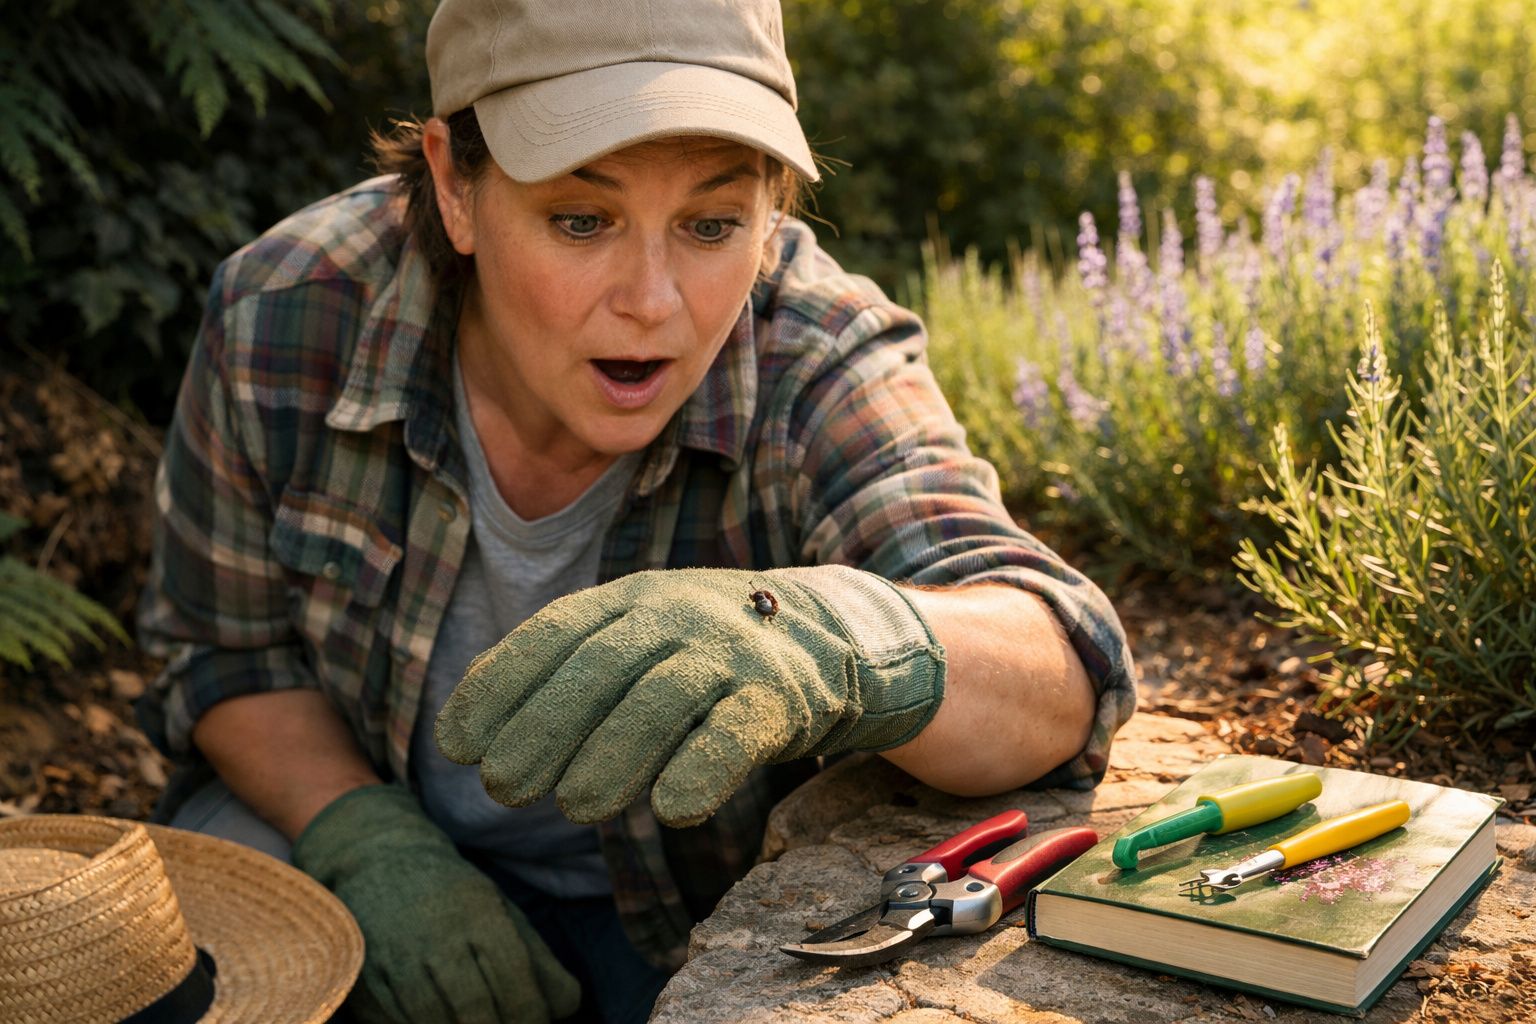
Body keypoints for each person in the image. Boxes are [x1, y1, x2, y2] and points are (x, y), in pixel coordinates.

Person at [137, 1, 1137, 1021]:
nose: (653, 299)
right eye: (583, 219)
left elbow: (1059, 665)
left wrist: (838, 636)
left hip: (669, 915)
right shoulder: (290, 308)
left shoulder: (812, 355)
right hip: (343, 837)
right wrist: (362, 835)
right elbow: (226, 653)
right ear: (455, 185)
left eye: (711, 225)